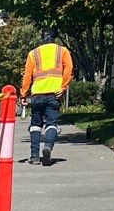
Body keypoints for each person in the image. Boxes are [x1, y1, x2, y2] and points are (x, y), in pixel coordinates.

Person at [20, 29, 74, 165]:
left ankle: (34, 156)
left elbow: (27, 76)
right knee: (52, 124)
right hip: (54, 94)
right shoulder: (63, 51)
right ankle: (48, 147)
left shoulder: (33, 53)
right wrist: (63, 87)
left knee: (35, 125)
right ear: (54, 38)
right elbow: (69, 69)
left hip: (37, 93)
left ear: (42, 38)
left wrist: (23, 95)